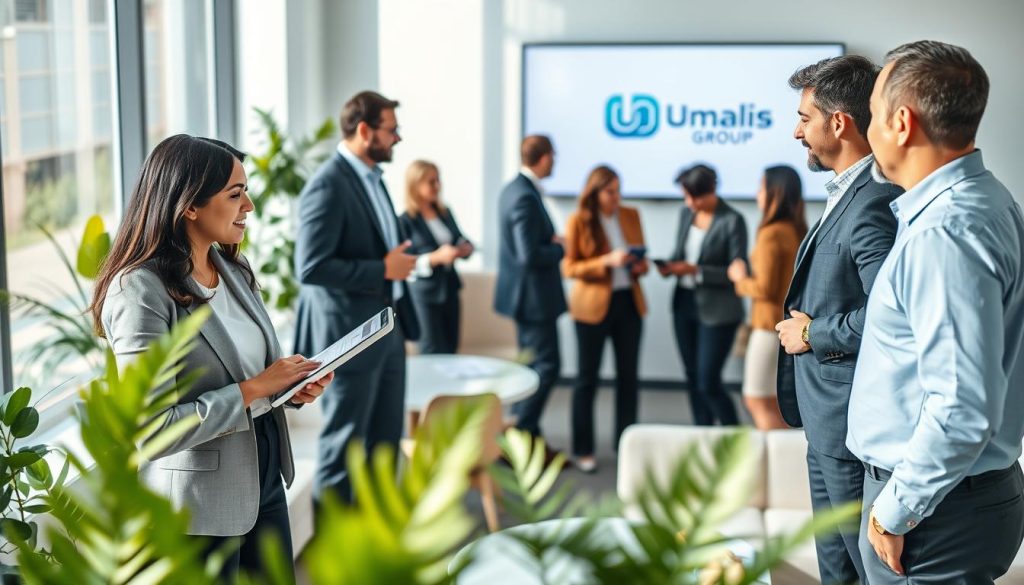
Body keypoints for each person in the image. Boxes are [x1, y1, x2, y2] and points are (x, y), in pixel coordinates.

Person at [92, 134, 330, 581]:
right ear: (189, 206)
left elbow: (256, 375)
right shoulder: (139, 291)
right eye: (236, 194)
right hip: (197, 509)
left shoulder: (234, 271)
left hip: (263, 473)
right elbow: (151, 430)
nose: (250, 207)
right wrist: (255, 389)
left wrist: (292, 389)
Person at [848, 40, 1024, 584]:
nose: (866, 128)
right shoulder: (986, 201)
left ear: (901, 122)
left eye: (873, 113)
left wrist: (897, 507)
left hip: (933, 510)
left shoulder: (946, 232)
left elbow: (963, 406)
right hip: (953, 498)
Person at [778, 55, 902, 585]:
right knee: (837, 569)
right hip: (826, 419)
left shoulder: (873, 200)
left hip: (851, 423)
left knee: (855, 569)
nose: (796, 132)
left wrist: (811, 333)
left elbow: (892, 313)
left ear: (838, 122)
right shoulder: (844, 192)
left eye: (804, 118)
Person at [293, 91, 425, 505]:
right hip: (349, 336)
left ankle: (374, 545)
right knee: (345, 448)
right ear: (365, 130)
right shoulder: (328, 185)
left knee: (384, 445)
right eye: (392, 130)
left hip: (386, 326)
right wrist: (382, 269)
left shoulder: (374, 179)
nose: (398, 138)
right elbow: (311, 267)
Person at [562, 165, 648, 473]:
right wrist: (606, 262)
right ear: (595, 192)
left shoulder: (630, 215)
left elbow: (644, 260)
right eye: (610, 191)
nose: (616, 197)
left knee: (629, 378)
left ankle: (626, 446)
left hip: (628, 302)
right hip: (591, 308)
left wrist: (639, 265)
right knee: (587, 379)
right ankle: (583, 449)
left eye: (618, 190)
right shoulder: (578, 221)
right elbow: (569, 268)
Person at [657, 163, 747, 426]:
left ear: (711, 191)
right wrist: (670, 267)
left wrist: (696, 271)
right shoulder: (686, 214)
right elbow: (680, 254)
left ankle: (734, 436)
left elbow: (737, 272)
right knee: (692, 376)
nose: (689, 202)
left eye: (694, 196)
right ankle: (702, 433)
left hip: (718, 310)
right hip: (684, 303)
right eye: (685, 196)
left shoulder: (732, 220)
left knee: (708, 381)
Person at [494, 135, 568, 445]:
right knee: (547, 366)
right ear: (544, 157)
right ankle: (521, 432)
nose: (556, 161)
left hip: (528, 297)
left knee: (532, 367)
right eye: (554, 155)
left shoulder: (514, 189)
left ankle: (528, 436)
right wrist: (560, 249)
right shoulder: (524, 195)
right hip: (534, 299)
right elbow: (529, 255)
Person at [727, 165, 807, 430]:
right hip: (783, 325)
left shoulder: (771, 233)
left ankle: (776, 466)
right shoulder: (796, 229)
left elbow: (765, 289)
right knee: (773, 403)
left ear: (775, 193)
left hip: (767, 327)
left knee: (756, 399)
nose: (756, 195)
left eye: (761, 188)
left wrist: (739, 278)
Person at [398, 160, 474, 354]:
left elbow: (459, 237)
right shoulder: (405, 221)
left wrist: (465, 248)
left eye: (438, 180)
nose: (437, 186)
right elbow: (402, 264)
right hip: (425, 296)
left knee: (451, 348)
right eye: (431, 181)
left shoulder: (444, 212)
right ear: (415, 184)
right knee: (431, 351)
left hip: (450, 289)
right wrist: (435, 258)